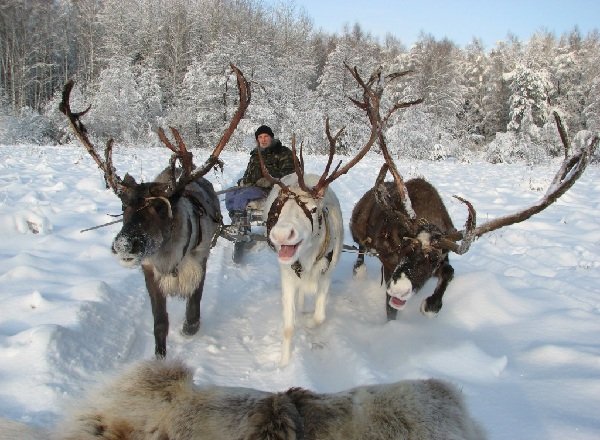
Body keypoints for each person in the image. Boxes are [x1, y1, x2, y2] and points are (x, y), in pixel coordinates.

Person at [225, 125, 295, 221]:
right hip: (253, 188)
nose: (263, 140)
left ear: (271, 137)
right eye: (260, 137)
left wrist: (269, 181)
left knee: (241, 196)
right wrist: (244, 181)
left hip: (273, 190)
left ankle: (240, 225)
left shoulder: (283, 152)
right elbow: (248, 173)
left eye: (266, 136)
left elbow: (290, 173)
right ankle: (235, 218)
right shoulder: (255, 154)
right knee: (230, 193)